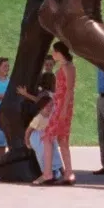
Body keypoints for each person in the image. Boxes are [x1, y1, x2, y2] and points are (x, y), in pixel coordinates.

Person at [33, 42, 76, 186]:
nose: (53, 54)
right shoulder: (65, 67)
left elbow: (69, 90)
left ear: (60, 52)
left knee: (47, 137)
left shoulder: (68, 68)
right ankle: (68, 174)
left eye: (54, 52)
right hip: (60, 107)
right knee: (62, 140)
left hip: (62, 108)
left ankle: (47, 174)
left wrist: (63, 110)